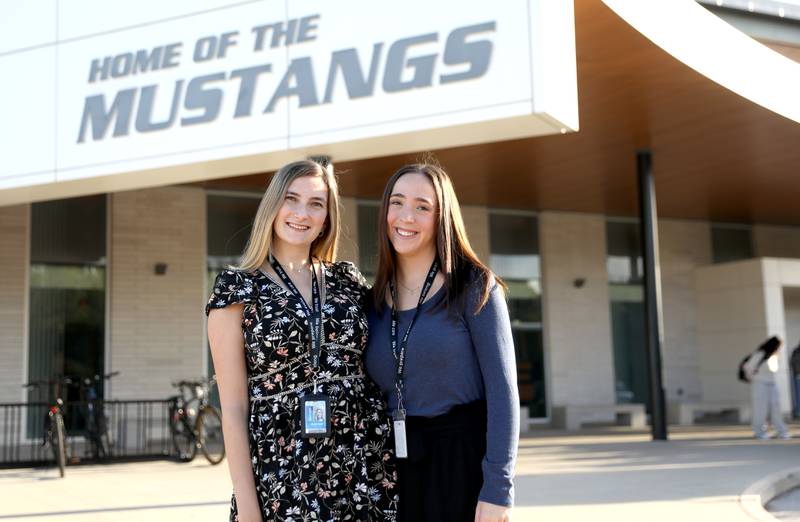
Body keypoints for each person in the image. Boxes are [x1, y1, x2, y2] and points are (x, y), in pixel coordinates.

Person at [206, 160, 398, 522]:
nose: (301, 213)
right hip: (282, 474)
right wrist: (247, 505)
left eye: (316, 203)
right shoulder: (236, 289)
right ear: (273, 206)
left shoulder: (347, 280)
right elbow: (233, 409)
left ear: (327, 217)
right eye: (291, 199)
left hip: (364, 465)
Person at [364, 162, 519, 522]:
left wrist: (499, 489)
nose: (406, 217)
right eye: (397, 202)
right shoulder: (371, 302)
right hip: (392, 469)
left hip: (461, 464)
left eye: (422, 207)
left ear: (442, 218)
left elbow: (503, 393)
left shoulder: (475, 287)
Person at [743, 336, 791, 440]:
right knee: (760, 409)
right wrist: (754, 378)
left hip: (772, 385)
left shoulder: (774, 356)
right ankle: (759, 432)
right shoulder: (759, 354)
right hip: (760, 384)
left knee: (776, 409)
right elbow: (748, 367)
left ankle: (782, 431)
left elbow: (773, 369)